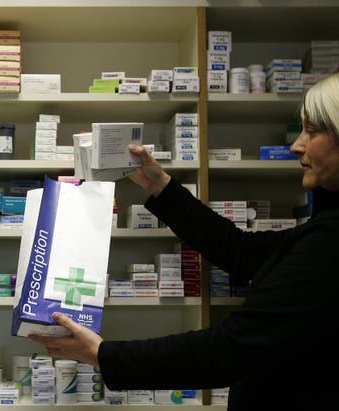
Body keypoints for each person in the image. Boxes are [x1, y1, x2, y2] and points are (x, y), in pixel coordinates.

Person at [29, 72, 339, 410]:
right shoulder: (323, 228)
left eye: (312, 131)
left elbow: (229, 349)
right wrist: (160, 186)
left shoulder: (331, 241)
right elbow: (243, 251)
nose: (296, 145)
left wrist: (104, 355)